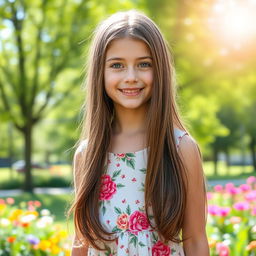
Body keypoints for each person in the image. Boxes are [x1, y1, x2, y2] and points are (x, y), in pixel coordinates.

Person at [69, 10, 209, 256]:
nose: (131, 77)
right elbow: (81, 242)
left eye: (144, 64)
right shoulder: (87, 154)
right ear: (100, 73)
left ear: (161, 71)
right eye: (117, 65)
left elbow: (196, 241)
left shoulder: (181, 149)